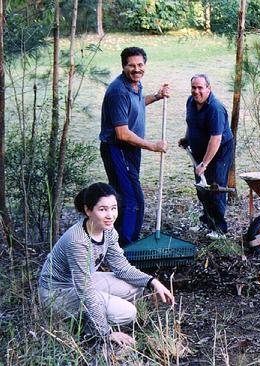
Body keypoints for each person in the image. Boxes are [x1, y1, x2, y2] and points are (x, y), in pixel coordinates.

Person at [38, 183, 175, 347]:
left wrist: (153, 282)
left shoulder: (108, 230)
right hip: (57, 294)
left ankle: (99, 310)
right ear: (88, 210)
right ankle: (88, 328)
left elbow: (122, 268)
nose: (110, 215)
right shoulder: (78, 242)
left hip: (82, 282)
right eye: (102, 209)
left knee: (136, 287)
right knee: (128, 313)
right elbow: (85, 290)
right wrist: (106, 332)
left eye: (113, 208)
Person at [99, 46, 170, 246]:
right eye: (132, 65)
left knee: (124, 197)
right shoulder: (118, 91)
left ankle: (118, 242)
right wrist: (153, 146)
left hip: (130, 150)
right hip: (117, 149)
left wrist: (157, 96)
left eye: (140, 65)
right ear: (123, 66)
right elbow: (121, 133)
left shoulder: (135, 85)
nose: (137, 69)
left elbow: (137, 104)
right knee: (132, 200)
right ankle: (126, 247)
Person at [178, 74, 234, 240]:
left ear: (209, 88)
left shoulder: (215, 109)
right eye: (194, 87)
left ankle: (219, 228)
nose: (196, 91)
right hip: (201, 149)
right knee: (202, 188)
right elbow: (191, 123)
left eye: (200, 88)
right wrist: (187, 138)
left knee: (214, 186)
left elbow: (215, 139)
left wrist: (204, 163)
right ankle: (207, 220)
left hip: (220, 151)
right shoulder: (190, 101)